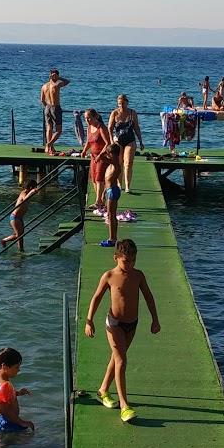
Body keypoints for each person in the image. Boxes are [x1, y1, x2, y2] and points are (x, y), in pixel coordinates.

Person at [83, 239, 160, 423]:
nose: (130, 264)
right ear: (116, 258)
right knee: (121, 360)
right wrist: (89, 321)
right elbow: (97, 297)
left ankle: (103, 390)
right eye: (126, 261)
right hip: (114, 323)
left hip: (132, 323)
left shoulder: (138, 275)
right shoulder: (109, 276)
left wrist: (155, 319)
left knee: (116, 359)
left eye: (133, 260)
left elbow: (148, 296)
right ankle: (124, 405)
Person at [0, 348, 33, 432]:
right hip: (7, 423)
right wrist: (22, 422)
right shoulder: (3, 385)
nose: (19, 370)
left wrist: (18, 393)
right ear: (4, 367)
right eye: (16, 367)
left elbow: (2, 397)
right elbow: (5, 411)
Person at [108, 96, 144, 191]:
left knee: (128, 163)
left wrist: (140, 141)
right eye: (119, 104)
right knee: (119, 162)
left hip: (130, 139)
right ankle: (120, 184)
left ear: (127, 103)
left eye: (123, 103)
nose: (121, 106)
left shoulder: (132, 113)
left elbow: (136, 127)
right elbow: (110, 128)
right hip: (118, 139)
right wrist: (111, 141)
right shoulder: (114, 113)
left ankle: (128, 186)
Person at [40, 68, 72, 154]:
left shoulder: (44, 86)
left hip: (47, 107)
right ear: (55, 76)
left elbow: (42, 100)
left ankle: (51, 148)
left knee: (49, 128)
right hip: (55, 107)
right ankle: (49, 144)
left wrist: (47, 107)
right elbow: (68, 81)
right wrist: (59, 78)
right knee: (59, 130)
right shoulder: (56, 85)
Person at [98, 145, 122, 247]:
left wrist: (102, 153)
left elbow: (102, 158)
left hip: (113, 191)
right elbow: (107, 180)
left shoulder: (116, 163)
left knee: (110, 216)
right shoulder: (110, 166)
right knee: (111, 215)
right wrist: (103, 192)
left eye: (110, 154)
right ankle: (114, 237)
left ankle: (112, 239)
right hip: (109, 190)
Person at [0, 183, 33, 252]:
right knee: (19, 235)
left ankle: (20, 249)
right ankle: (4, 240)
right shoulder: (24, 193)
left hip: (19, 217)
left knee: (21, 234)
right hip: (15, 217)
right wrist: (32, 192)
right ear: (30, 188)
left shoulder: (25, 192)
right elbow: (25, 199)